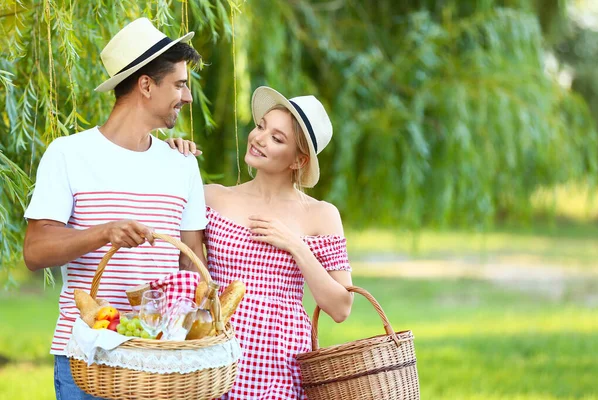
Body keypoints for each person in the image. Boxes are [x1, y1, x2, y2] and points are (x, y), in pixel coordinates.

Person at [22, 18, 208, 399]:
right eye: (179, 84)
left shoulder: (183, 163)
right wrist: (105, 232)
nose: (187, 97)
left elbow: (192, 265)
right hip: (89, 360)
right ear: (145, 85)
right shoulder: (68, 154)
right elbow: (35, 251)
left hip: (160, 360)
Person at [168, 86, 353, 399]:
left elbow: (340, 307)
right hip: (216, 358)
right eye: (261, 126)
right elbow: (189, 271)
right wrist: (173, 160)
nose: (259, 138)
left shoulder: (320, 215)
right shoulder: (213, 197)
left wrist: (297, 246)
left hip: (281, 365)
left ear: (298, 161)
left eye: (277, 138)